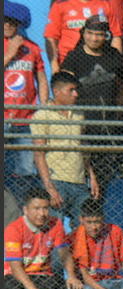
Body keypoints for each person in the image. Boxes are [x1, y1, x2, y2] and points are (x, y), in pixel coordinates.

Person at [60, 14, 123, 196]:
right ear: (83, 33)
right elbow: (63, 88)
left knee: (102, 182)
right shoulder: (74, 57)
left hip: (107, 129)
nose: (94, 38)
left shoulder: (113, 55)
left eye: (99, 34)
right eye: (90, 33)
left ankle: (96, 217)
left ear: (106, 35)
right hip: (82, 128)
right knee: (80, 179)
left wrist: (118, 109)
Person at [31, 71, 99, 229]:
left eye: (76, 90)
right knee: (55, 230)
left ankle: (79, 255)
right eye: (71, 90)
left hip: (79, 181)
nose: (76, 94)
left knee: (83, 229)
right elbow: (39, 153)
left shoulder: (78, 114)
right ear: (57, 92)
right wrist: (49, 186)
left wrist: (92, 176)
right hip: (57, 180)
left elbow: (83, 148)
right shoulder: (43, 115)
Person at [4, 2, 47, 194]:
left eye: (12, 22)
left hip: (26, 119)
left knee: (26, 171)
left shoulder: (32, 48)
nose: (8, 26)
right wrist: (10, 53)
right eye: (4, 21)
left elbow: (42, 79)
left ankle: (23, 213)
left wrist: (44, 107)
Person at [44, 0, 122, 71]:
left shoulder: (105, 4)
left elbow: (116, 36)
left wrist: (117, 63)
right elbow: (51, 37)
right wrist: (54, 67)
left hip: (101, 61)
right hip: (69, 64)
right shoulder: (60, 5)